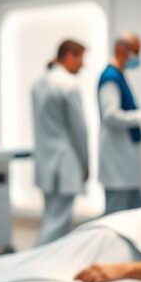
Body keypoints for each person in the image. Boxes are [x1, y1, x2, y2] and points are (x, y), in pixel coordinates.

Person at [32, 40, 90, 244]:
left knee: (53, 218)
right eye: (81, 58)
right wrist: (85, 164)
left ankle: (48, 263)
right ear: (69, 56)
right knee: (56, 225)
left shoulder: (39, 83)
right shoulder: (69, 85)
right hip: (66, 163)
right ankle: (37, 265)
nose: (83, 65)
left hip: (46, 164)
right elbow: (79, 130)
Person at [98, 32, 141, 215]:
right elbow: (110, 116)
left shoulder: (119, 76)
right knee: (115, 215)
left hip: (125, 163)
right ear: (121, 50)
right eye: (135, 52)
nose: (137, 58)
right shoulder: (110, 78)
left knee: (134, 213)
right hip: (117, 162)